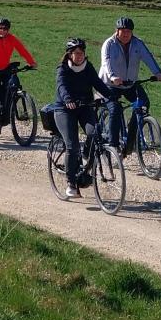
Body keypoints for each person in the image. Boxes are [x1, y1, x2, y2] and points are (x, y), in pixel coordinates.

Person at [54, 38, 111, 199]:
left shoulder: (88, 67)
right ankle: (71, 183)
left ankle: (86, 159)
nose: (80, 56)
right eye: (76, 53)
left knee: (95, 134)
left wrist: (111, 96)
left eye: (82, 53)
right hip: (65, 109)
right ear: (70, 55)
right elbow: (61, 86)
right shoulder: (63, 69)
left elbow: (98, 84)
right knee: (72, 146)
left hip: (84, 106)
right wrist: (67, 99)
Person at [100, 16, 161, 153]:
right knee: (115, 110)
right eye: (123, 31)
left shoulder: (137, 43)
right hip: (110, 84)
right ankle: (113, 144)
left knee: (143, 104)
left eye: (128, 31)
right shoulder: (109, 44)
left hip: (129, 84)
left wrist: (158, 72)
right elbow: (106, 62)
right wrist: (113, 77)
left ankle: (131, 140)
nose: (126, 34)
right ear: (117, 31)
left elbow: (148, 57)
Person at [0, 17, 36, 130]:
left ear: (8, 30)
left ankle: (5, 117)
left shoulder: (12, 39)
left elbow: (22, 50)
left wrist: (31, 62)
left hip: (3, 69)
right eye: (0, 28)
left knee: (6, 92)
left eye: (5, 29)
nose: (2, 30)